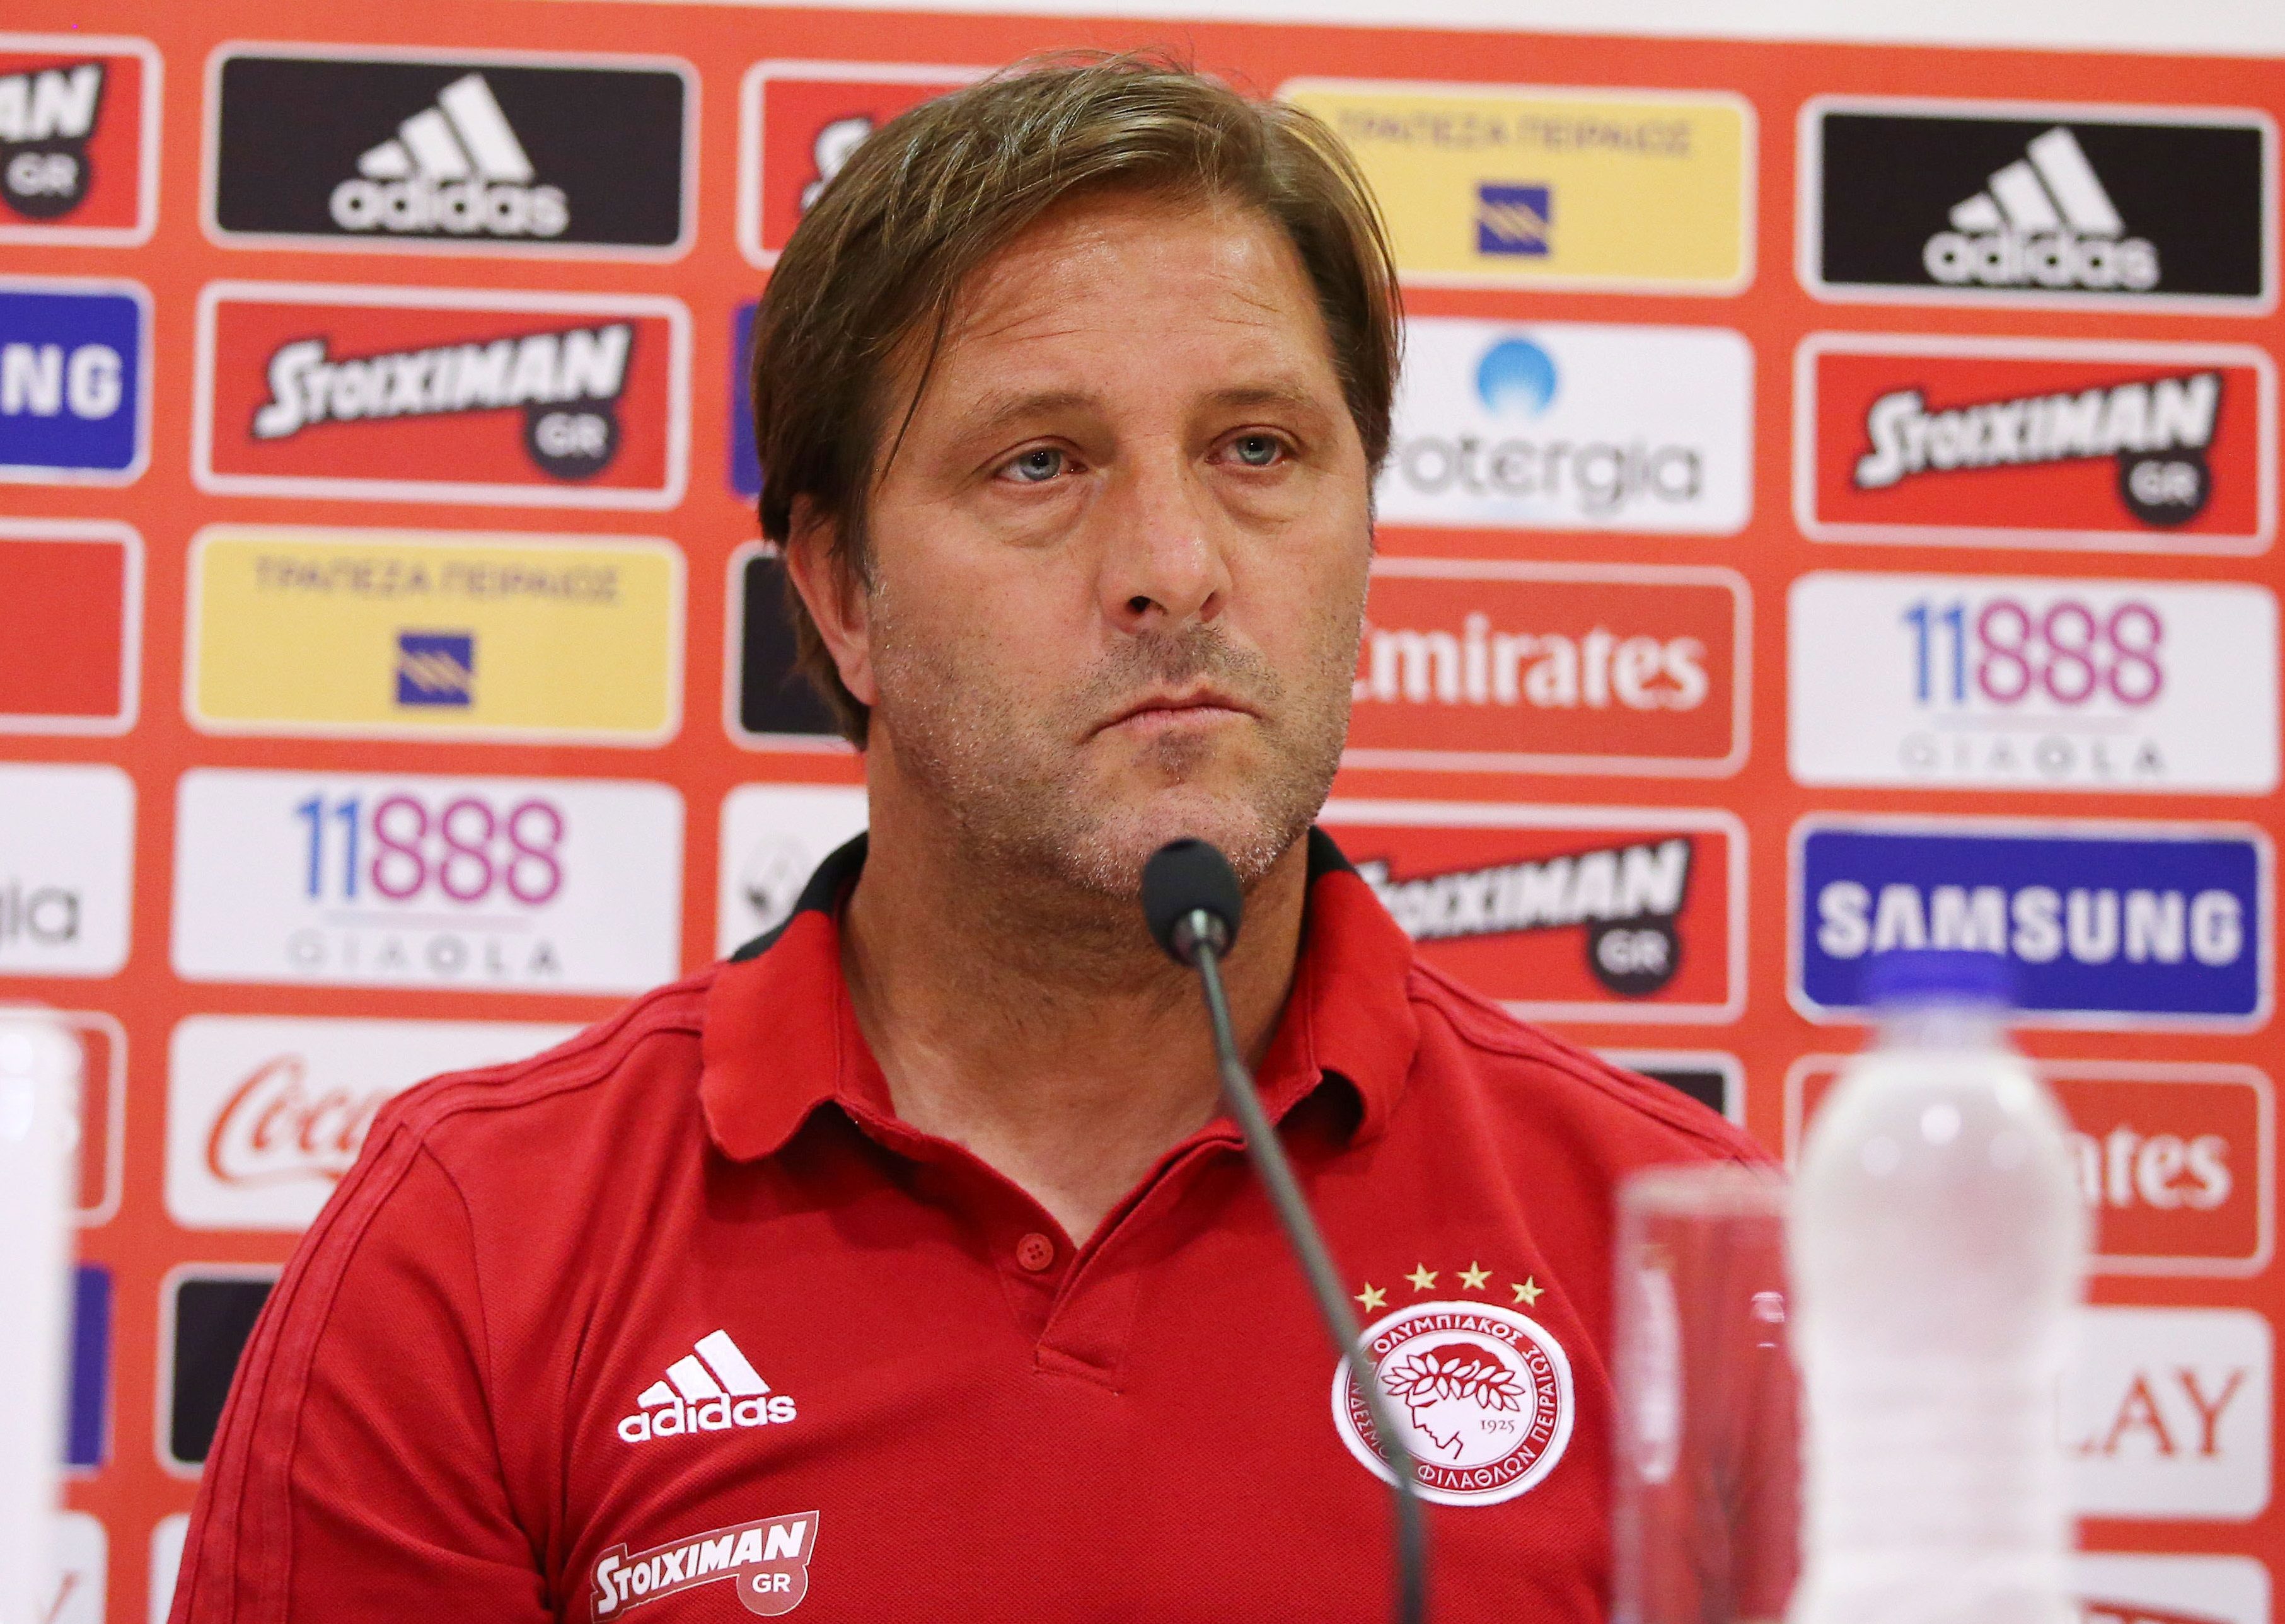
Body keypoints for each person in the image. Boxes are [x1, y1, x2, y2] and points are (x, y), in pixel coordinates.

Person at [170, 52, 1764, 1621]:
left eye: (1257, 449)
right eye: (1039, 463)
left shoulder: (1681, 1244)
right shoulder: (476, 1243)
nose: (1174, 566)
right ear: (841, 594)